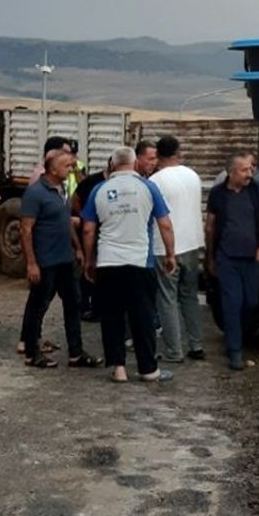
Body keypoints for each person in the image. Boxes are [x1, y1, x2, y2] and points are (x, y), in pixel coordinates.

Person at [82, 146, 177, 383]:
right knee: (142, 316)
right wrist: (170, 254)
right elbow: (165, 224)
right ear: (135, 164)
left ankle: (119, 369)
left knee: (111, 316)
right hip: (139, 263)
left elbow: (88, 228)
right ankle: (148, 369)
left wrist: (89, 259)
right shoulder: (147, 187)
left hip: (108, 263)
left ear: (112, 165)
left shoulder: (99, 190)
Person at [18, 149, 101, 369]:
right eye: (67, 166)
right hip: (46, 260)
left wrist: (78, 248)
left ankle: (76, 352)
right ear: (53, 169)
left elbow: (66, 221)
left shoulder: (61, 189)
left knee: (73, 303)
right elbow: (26, 230)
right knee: (38, 305)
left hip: (65, 258)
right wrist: (32, 263)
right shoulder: (36, 194)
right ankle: (31, 352)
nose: (71, 169)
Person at [205, 152, 259, 372]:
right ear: (232, 172)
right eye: (245, 169)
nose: (250, 173)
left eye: (251, 169)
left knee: (250, 303)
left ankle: (238, 338)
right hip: (227, 258)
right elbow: (210, 226)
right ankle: (235, 351)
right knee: (231, 303)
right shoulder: (218, 194)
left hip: (252, 259)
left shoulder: (257, 190)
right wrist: (210, 257)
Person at [149, 135, 207, 363]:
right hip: (192, 243)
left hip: (166, 247)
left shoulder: (156, 181)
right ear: (178, 152)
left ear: (158, 155)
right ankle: (196, 344)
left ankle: (174, 351)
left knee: (167, 298)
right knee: (189, 295)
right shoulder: (193, 176)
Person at [72, 165, 109, 323]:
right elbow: (75, 199)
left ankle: (97, 307)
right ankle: (84, 307)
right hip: (91, 230)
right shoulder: (93, 182)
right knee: (88, 267)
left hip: (102, 231)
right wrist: (85, 217)